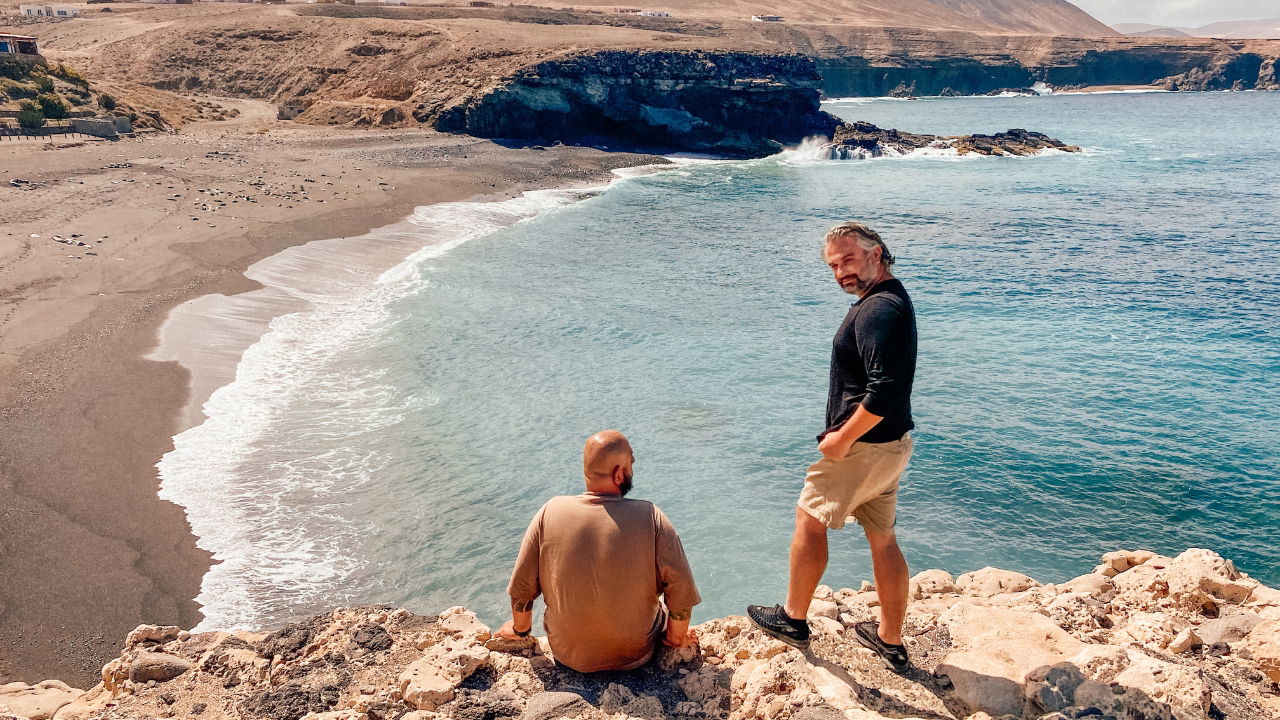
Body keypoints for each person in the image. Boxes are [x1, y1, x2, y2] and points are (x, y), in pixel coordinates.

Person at [748, 222, 918, 672]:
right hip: (892, 447)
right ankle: (890, 639)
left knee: (809, 518)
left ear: (876, 253)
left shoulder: (878, 310)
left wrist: (841, 439)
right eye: (833, 265)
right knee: (883, 539)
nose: (841, 271)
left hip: (862, 449)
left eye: (848, 259)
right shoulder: (889, 300)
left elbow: (884, 390)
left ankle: (793, 619)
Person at [494, 430, 701, 672]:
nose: (632, 468)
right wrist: (677, 638)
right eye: (631, 462)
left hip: (567, 654)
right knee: (661, 609)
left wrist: (520, 629)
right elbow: (680, 588)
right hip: (635, 654)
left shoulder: (550, 511)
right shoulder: (651, 517)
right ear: (619, 473)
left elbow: (522, 587)